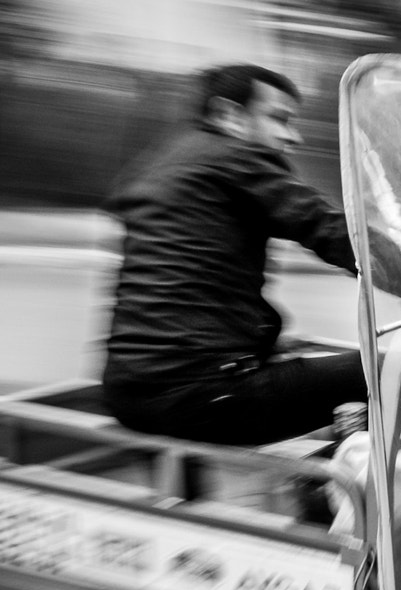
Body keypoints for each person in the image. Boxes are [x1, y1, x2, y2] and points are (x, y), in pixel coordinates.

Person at [99, 63, 366, 447]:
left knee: (294, 367)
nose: (293, 136)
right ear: (229, 115)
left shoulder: (161, 165)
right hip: (204, 397)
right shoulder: (236, 157)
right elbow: (329, 230)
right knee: (380, 373)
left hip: (127, 393)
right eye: (279, 119)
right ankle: (331, 497)